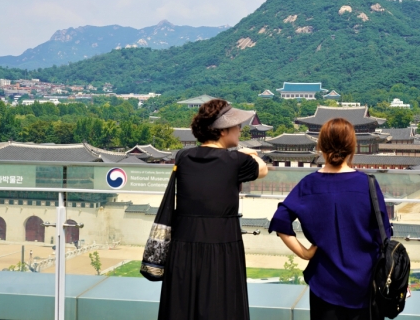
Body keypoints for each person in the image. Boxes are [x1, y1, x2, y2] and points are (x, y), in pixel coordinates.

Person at [269, 118, 392, 320]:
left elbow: (281, 219)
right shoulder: (367, 184)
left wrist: (304, 253)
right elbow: (383, 235)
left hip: (324, 283)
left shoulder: (309, 184)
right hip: (366, 282)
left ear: (320, 147)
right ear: (352, 147)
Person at [158, 98, 269, 320]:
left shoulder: (183, 156)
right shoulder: (235, 160)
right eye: (236, 125)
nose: (239, 130)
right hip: (222, 245)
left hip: (183, 244)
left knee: (182, 305)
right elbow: (263, 170)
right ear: (222, 130)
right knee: (221, 305)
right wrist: (251, 153)